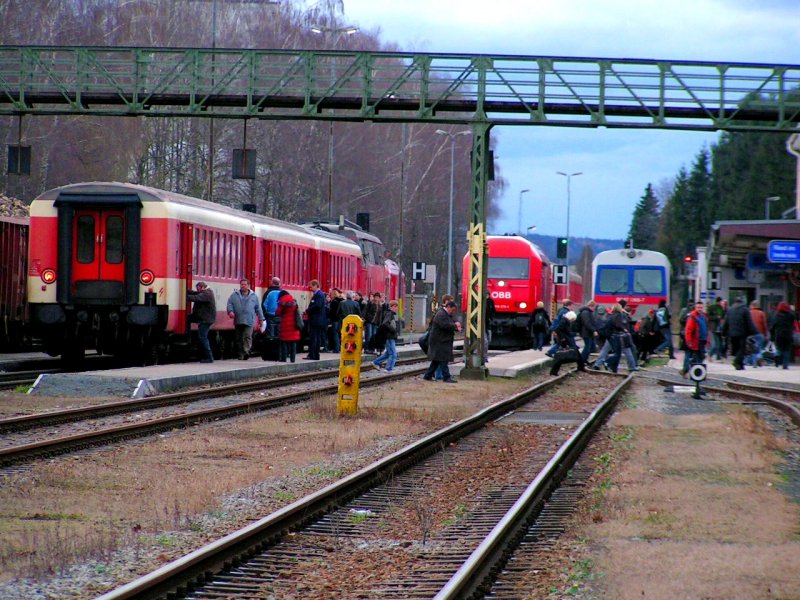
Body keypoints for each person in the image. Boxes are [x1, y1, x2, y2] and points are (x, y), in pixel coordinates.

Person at [422, 300, 461, 383]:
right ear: (448, 307)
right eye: (452, 310)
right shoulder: (441, 314)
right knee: (443, 359)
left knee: (436, 360)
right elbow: (445, 325)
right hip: (439, 341)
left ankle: (428, 376)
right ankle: (446, 377)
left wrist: (456, 325)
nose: (453, 312)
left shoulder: (445, 314)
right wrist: (455, 326)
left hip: (441, 340)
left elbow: (449, 324)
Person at [226, 278, 265, 360]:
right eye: (242, 284)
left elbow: (258, 308)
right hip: (238, 320)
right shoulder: (234, 295)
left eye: (245, 284)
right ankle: (241, 353)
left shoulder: (254, 296)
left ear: (248, 286)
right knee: (239, 338)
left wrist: (261, 319)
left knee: (247, 336)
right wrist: (230, 311)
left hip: (249, 320)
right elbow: (230, 304)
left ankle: (246, 351)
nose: (243, 286)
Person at [723, 296, 756, 370]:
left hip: (732, 333)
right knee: (742, 349)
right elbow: (749, 322)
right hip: (742, 333)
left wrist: (723, 331)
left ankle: (740, 365)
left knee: (736, 348)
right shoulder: (745, 309)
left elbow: (726, 322)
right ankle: (736, 361)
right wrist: (754, 331)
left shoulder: (730, 310)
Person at [186, 281, 216, 363]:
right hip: (203, 318)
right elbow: (195, 293)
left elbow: (197, 297)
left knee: (203, 337)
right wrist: (186, 290)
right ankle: (186, 334)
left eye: (198, 288)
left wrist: (183, 296)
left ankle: (209, 357)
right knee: (187, 319)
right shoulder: (206, 292)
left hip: (205, 319)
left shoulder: (207, 294)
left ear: (202, 287)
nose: (197, 290)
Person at [681, 301, 708, 377]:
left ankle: (697, 373)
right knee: (691, 356)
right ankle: (689, 371)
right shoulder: (693, 316)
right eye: (698, 307)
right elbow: (688, 330)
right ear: (695, 308)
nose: (700, 309)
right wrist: (689, 341)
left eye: (701, 307)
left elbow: (705, 328)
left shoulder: (703, 316)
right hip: (694, 340)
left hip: (701, 340)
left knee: (700, 357)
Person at [372, 300, 399, 372]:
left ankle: (375, 362)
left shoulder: (391, 314)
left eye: (397, 307)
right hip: (389, 337)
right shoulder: (389, 314)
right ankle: (389, 369)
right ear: (391, 307)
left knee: (388, 353)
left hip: (390, 337)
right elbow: (385, 323)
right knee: (393, 354)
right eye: (395, 306)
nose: (396, 308)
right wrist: (393, 330)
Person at [275, 289, 301, 363]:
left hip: (285, 324)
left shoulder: (281, 302)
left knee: (284, 342)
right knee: (293, 343)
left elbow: (277, 312)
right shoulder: (294, 301)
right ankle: (293, 359)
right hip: (294, 325)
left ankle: (284, 358)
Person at [304, 279, 327, 360]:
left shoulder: (319, 295)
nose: (311, 288)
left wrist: (308, 310)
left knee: (314, 338)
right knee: (315, 337)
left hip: (317, 320)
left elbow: (317, 306)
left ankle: (314, 355)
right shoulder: (318, 294)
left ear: (316, 285)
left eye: (311, 286)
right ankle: (313, 354)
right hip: (317, 320)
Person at [771, 301, 796, 370]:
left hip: (779, 334)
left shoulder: (777, 315)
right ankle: (785, 365)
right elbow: (793, 323)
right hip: (788, 335)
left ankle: (777, 358)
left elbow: (773, 326)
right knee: (787, 350)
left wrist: (772, 334)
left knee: (779, 349)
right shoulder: (791, 315)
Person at [744, 300, 768, 367]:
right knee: (759, 348)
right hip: (760, 333)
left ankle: (754, 363)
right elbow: (764, 325)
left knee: (752, 348)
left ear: (752, 306)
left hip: (751, 334)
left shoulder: (748, 313)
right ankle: (759, 356)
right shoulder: (762, 313)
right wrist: (765, 334)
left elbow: (745, 323)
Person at [706, 296, 726, 361]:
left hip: (720, 327)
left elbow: (723, 317)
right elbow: (709, 317)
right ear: (718, 301)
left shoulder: (721, 308)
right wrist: (716, 317)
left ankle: (718, 356)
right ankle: (711, 354)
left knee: (720, 343)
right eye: (720, 301)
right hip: (714, 327)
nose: (721, 303)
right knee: (717, 343)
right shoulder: (712, 308)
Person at [327, 288, 343, 352]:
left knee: (335, 334)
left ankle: (336, 348)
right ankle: (338, 348)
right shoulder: (341, 301)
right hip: (339, 320)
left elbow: (332, 312)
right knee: (338, 334)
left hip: (335, 320)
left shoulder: (334, 302)